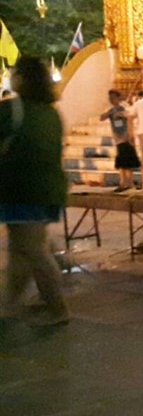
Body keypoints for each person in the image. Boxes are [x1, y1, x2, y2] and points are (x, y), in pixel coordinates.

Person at [0, 58, 69, 326]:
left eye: (14, 73)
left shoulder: (11, 110)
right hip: (46, 188)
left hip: (22, 188)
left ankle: (58, 308)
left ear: (24, 79)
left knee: (33, 250)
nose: (11, 77)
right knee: (20, 250)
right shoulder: (50, 112)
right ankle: (8, 304)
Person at [101, 89, 139, 192]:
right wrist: (109, 113)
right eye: (110, 98)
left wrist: (130, 135)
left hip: (126, 137)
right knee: (121, 162)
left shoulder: (124, 108)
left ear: (118, 98)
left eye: (113, 98)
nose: (111, 100)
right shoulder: (112, 110)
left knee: (127, 162)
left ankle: (127, 182)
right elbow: (102, 118)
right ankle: (124, 182)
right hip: (118, 138)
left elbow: (130, 118)